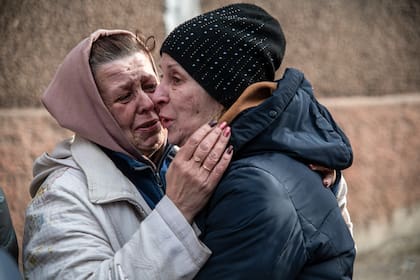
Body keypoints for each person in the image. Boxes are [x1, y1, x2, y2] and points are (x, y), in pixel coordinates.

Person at [152, 3, 355, 279]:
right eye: (161, 76)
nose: (156, 96)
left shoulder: (253, 189)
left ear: (224, 90)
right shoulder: (246, 166)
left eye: (175, 79)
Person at [22, 29, 233, 279]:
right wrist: (177, 210)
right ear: (92, 115)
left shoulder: (183, 160)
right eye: (124, 96)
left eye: (150, 85)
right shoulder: (59, 200)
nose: (147, 103)